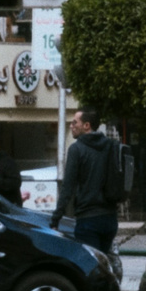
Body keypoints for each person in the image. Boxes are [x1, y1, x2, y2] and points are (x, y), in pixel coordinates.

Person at [50, 109, 121, 256]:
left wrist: (55, 219)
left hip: (88, 219)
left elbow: (68, 187)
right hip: (110, 218)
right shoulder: (111, 145)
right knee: (103, 261)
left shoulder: (76, 149)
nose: (71, 126)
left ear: (86, 125)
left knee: (90, 264)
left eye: (75, 122)